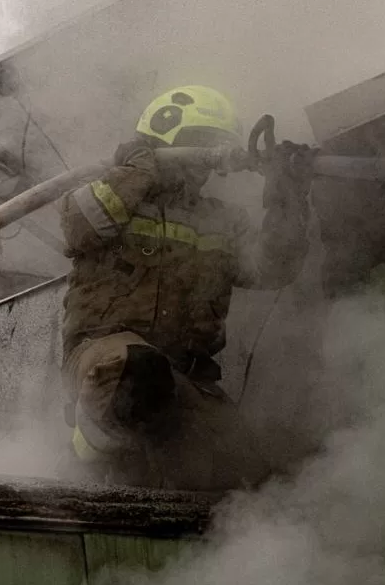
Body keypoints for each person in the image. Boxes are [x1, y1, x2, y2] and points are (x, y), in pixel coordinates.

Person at [57, 86, 314, 490]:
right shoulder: (108, 197)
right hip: (107, 356)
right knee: (137, 369)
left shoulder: (222, 221)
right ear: (164, 141)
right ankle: (87, 447)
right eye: (199, 144)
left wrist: (288, 195)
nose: (206, 159)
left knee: (256, 483)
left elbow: (273, 268)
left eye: (215, 146)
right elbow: (81, 226)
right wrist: (137, 171)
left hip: (186, 378)